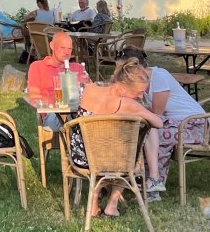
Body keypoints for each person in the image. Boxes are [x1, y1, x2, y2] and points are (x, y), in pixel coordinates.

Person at [69, 58, 163, 218]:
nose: (141, 96)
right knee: (127, 153)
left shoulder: (89, 89)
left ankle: (93, 204)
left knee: (100, 149)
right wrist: (141, 111)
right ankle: (112, 205)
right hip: (113, 163)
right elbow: (158, 123)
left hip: (82, 157)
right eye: (139, 92)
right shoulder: (128, 104)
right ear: (125, 88)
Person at [116, 47, 206, 201]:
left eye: (120, 68)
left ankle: (154, 184)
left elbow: (157, 112)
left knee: (156, 134)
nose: (118, 73)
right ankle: (138, 181)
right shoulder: (138, 80)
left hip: (193, 124)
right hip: (171, 122)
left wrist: (132, 107)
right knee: (142, 133)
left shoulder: (159, 76)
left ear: (134, 67)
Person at [27, 31, 90, 131]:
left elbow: (92, 93)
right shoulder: (37, 67)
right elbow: (34, 99)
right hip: (52, 116)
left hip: (78, 113)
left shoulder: (77, 68)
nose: (66, 52)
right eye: (62, 48)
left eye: (69, 49)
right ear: (52, 46)